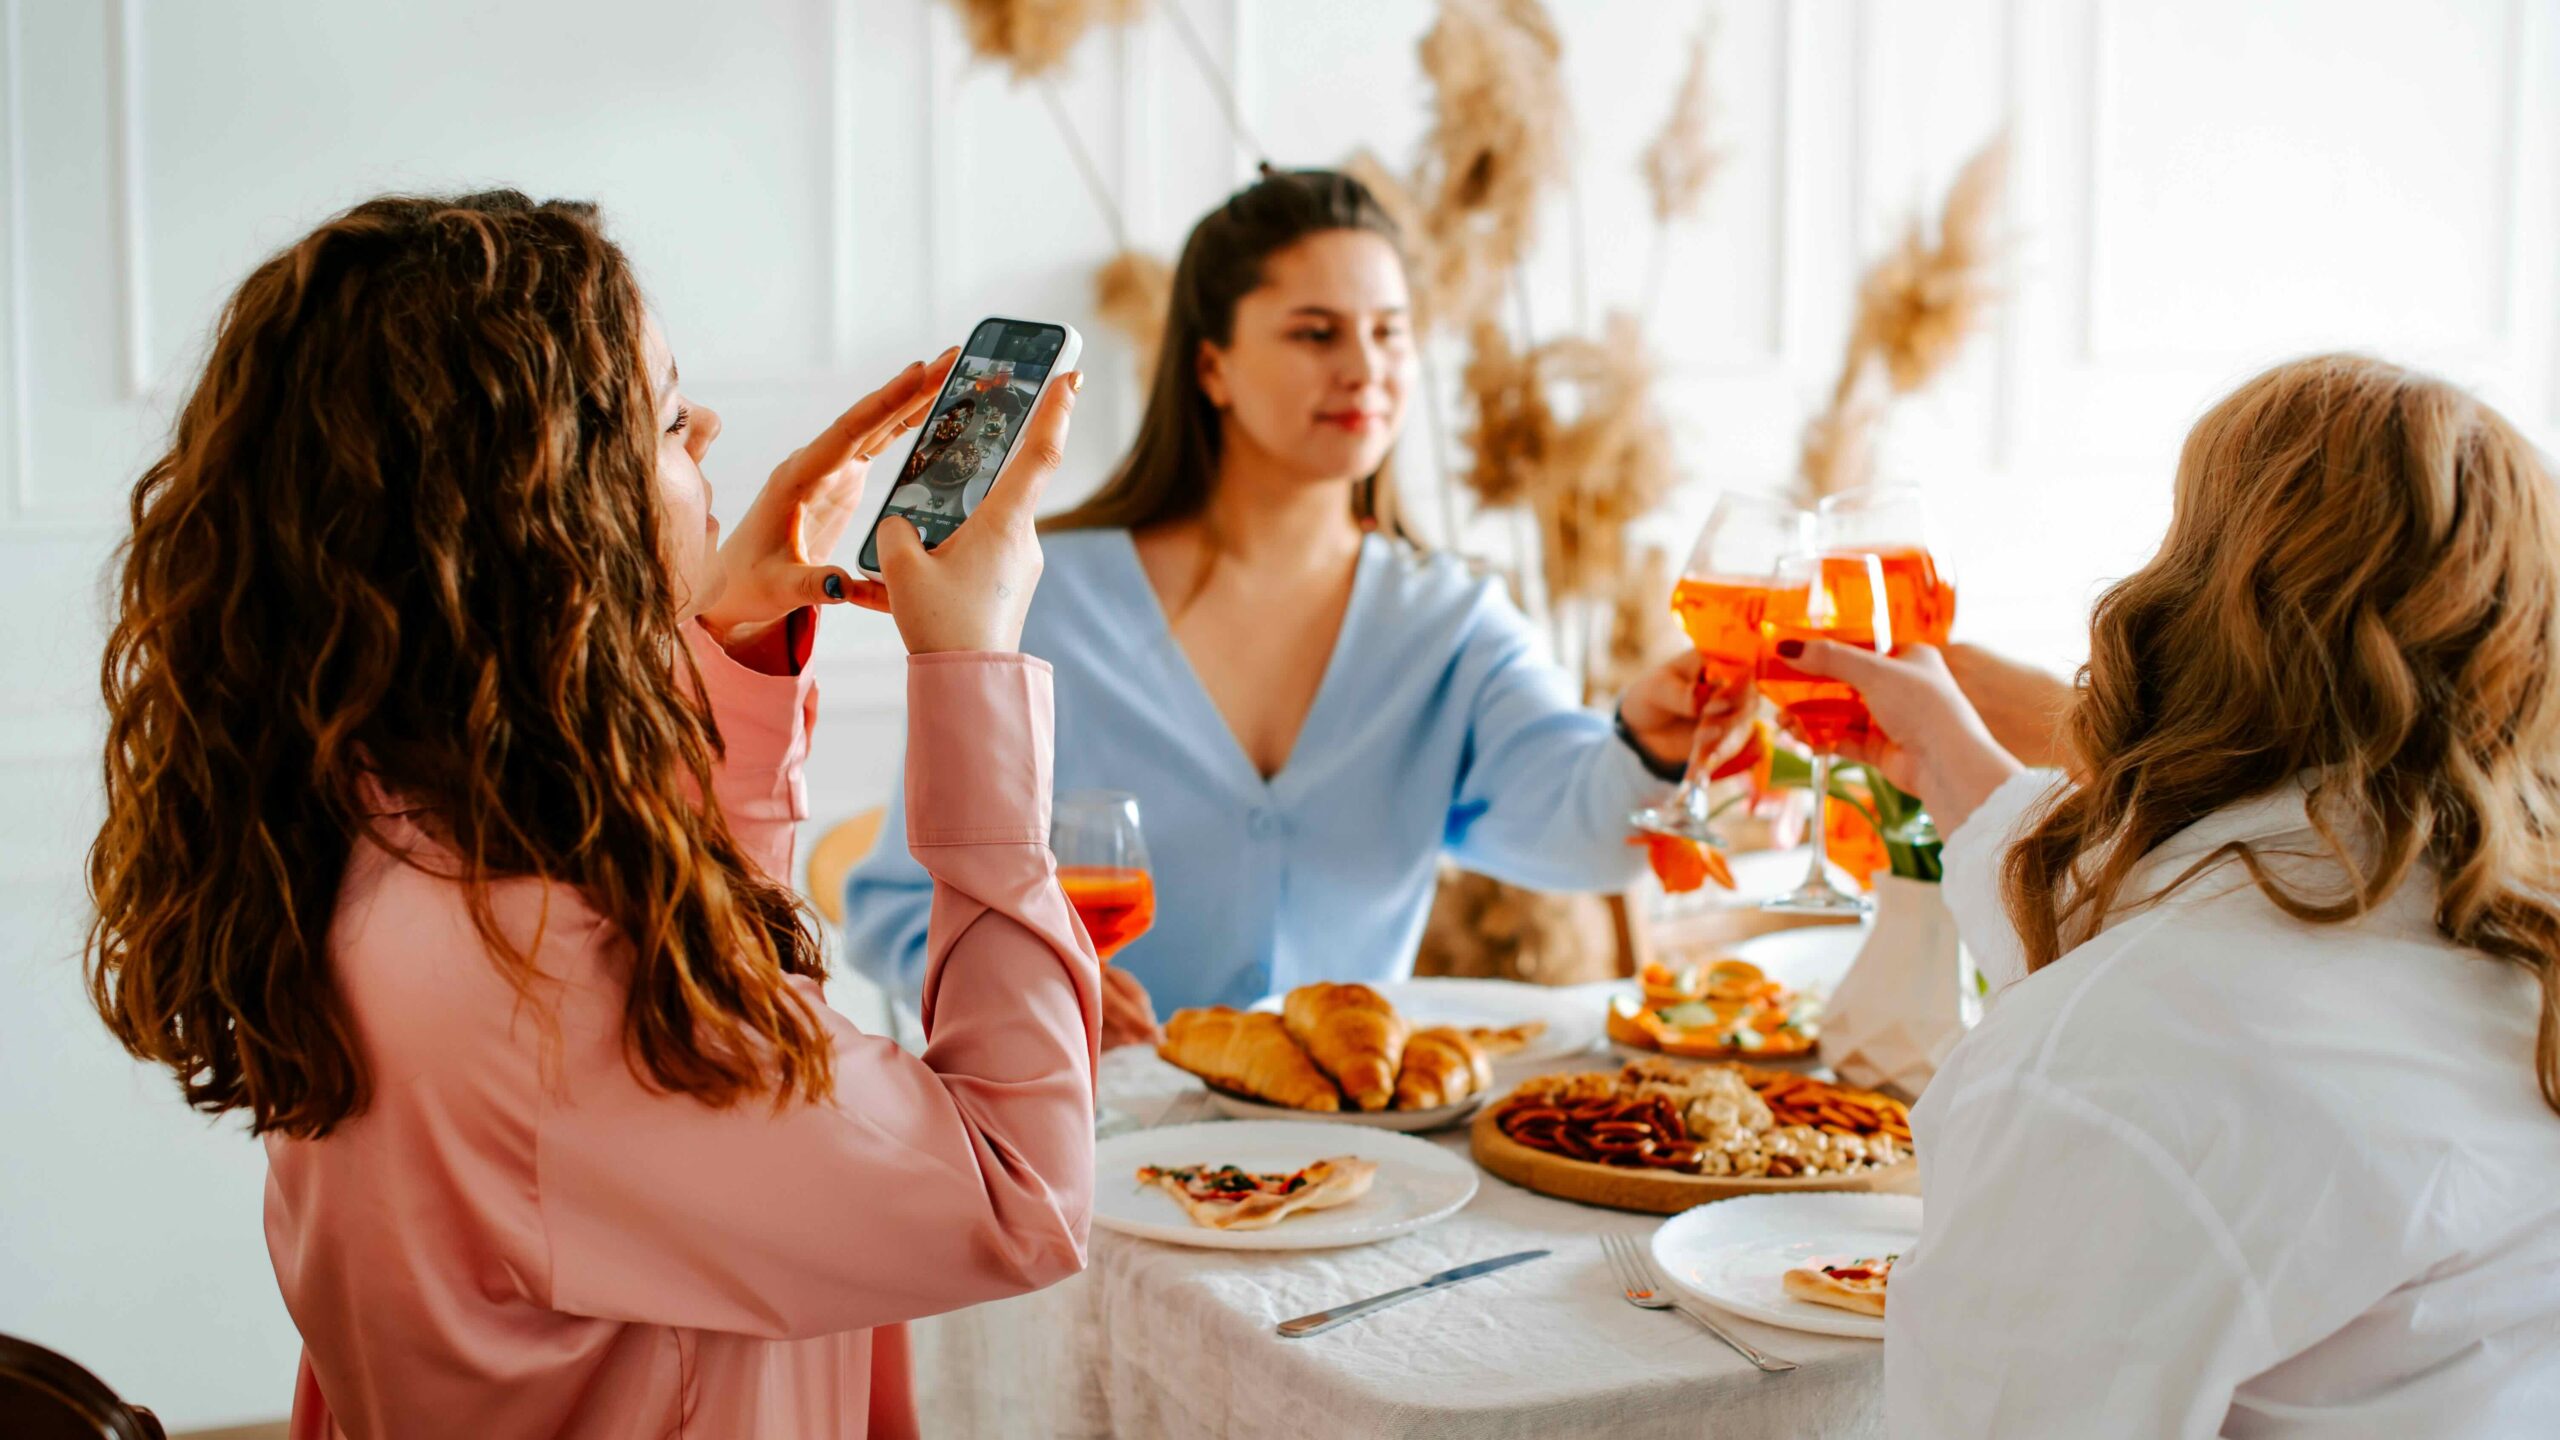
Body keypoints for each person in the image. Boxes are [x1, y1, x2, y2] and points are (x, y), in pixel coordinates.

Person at [82, 192, 1099, 1439]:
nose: (714, 430)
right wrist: (974, 669)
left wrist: (726, 649)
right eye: (670, 417)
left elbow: (709, 974)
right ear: (543, 510)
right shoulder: (556, 982)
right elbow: (1020, 1192)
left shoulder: (375, 816)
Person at [1787, 354, 2560, 1435]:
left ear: (2193, 606)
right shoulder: (2503, 954)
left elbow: (2157, 1037)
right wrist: (1948, 758)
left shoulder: (2113, 1064)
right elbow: (2202, 941)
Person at [843, 167, 1738, 1044]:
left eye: (1391, 333)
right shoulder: (1040, 596)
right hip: (1081, 1145)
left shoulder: (1453, 619)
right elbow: (896, 910)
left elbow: (1584, 832)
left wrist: (1651, 744)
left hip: (1338, 1154)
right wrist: (1037, 990)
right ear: (1213, 366)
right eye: (1315, 333)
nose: (1364, 368)